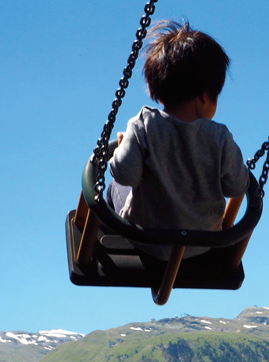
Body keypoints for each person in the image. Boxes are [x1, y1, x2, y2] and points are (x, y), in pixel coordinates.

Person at [107, 19, 249, 260]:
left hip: (147, 240)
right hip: (202, 245)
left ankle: (108, 230)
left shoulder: (143, 124)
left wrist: (122, 149)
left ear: (159, 94)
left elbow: (125, 175)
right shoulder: (220, 138)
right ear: (206, 97)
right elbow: (236, 187)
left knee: (114, 187)